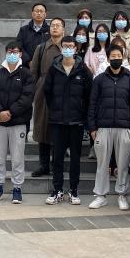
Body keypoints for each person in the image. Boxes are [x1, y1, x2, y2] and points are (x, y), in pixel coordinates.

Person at [87, 42, 130, 210]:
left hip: (124, 128)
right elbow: (92, 104)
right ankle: (100, 195)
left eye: (119, 56)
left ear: (123, 58)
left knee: (123, 164)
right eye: (113, 56)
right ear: (108, 59)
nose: (116, 59)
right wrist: (92, 128)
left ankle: (122, 195)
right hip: (103, 127)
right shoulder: (99, 79)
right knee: (102, 164)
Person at [43, 38, 93, 205]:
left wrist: (83, 113)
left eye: (71, 47)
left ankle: (73, 190)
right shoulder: (54, 69)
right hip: (57, 122)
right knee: (57, 157)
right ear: (61, 48)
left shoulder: (83, 70)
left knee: (75, 159)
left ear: (76, 49)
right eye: (65, 46)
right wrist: (55, 108)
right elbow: (47, 92)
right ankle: (57, 190)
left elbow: (89, 94)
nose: (68, 49)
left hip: (76, 122)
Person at [0, 42, 35, 204]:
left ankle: (17, 189)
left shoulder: (27, 75)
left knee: (17, 158)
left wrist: (11, 112)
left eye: (15, 51)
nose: (12, 54)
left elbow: (27, 98)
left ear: (20, 54)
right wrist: (0, 112)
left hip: (18, 123)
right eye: (9, 51)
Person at [29, 17, 67, 178]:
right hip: (43, 91)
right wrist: (33, 92)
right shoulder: (41, 47)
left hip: (63, 90)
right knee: (42, 127)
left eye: (58, 25)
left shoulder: (67, 48)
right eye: (52, 25)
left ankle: (56, 164)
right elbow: (33, 72)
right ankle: (43, 164)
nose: (55, 28)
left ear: (64, 29)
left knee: (58, 128)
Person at [15, 2, 49, 67]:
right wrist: (28, 61)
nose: (39, 13)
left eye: (41, 11)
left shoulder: (50, 30)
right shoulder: (24, 30)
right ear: (32, 14)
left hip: (44, 66)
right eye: (37, 11)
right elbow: (19, 47)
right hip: (26, 66)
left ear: (45, 14)